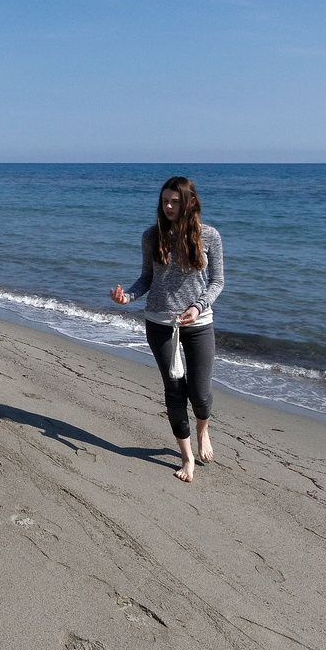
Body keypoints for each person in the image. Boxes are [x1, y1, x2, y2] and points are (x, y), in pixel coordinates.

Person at [110, 176, 224, 482]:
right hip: (160, 324)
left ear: (190, 203)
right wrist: (127, 296)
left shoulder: (209, 236)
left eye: (175, 201)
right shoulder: (152, 236)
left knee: (199, 393)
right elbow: (147, 278)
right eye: (165, 201)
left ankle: (203, 430)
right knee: (174, 391)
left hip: (199, 324)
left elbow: (217, 282)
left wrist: (198, 306)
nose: (169, 206)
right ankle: (186, 457)